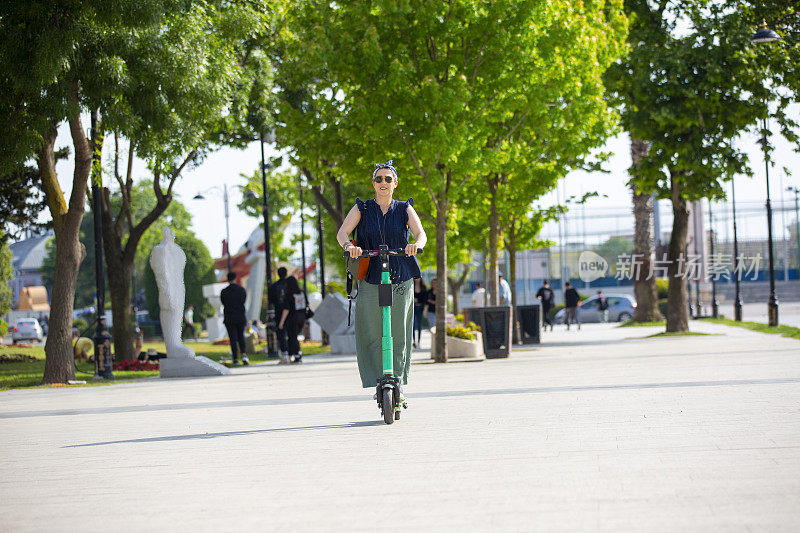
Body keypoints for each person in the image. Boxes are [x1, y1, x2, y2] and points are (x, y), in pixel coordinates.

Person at [336, 159, 427, 397]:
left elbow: (421, 233)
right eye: (379, 179)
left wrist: (415, 245)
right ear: (373, 183)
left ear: (395, 183)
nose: (383, 182)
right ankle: (379, 379)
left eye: (388, 179)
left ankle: (397, 379)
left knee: (398, 330)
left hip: (400, 274)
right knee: (371, 329)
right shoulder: (362, 209)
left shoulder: (404, 209)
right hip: (370, 275)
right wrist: (349, 246)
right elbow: (342, 232)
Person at [220, 271, 249, 365]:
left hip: (229, 317)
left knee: (233, 338)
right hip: (240, 316)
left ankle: (235, 358)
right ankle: (244, 355)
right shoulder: (241, 290)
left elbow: (223, 303)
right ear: (235, 278)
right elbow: (243, 301)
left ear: (228, 279)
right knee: (241, 336)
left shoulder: (224, 292)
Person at [278, 276, 307, 364]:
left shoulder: (289, 294)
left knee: (292, 336)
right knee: (293, 336)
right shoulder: (302, 293)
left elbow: (286, 309)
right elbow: (307, 304)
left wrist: (281, 321)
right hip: (302, 317)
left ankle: (297, 353)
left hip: (292, 318)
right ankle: (292, 354)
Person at [268, 267, 289, 360]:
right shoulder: (289, 284)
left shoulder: (274, 286)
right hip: (290, 312)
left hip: (279, 311)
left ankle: (285, 351)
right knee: (291, 332)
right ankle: (292, 351)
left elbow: (270, 300)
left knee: (281, 332)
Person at [412, 278, 428, 349]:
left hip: (420, 308)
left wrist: (418, 300)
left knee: (419, 326)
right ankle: (414, 341)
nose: (417, 279)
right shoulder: (411, 286)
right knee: (413, 325)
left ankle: (418, 342)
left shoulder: (423, 288)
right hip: (413, 308)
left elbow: (425, 299)